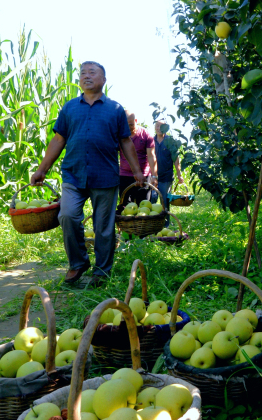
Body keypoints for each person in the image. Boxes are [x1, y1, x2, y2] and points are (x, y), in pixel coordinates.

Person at [30, 61, 144, 287]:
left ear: (103, 80)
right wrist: (42, 169)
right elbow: (59, 139)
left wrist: (138, 171)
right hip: (73, 173)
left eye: (92, 72)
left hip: (105, 176)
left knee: (103, 227)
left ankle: (101, 271)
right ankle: (78, 263)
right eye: (83, 73)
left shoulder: (115, 109)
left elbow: (125, 142)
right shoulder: (69, 108)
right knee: (68, 216)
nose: (86, 76)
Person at [118, 111, 157, 204]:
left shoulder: (146, 135)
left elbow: (151, 156)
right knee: (125, 206)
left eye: (131, 124)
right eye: (126, 125)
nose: (128, 128)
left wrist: (154, 176)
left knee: (144, 205)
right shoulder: (119, 135)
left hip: (143, 176)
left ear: (135, 121)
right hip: (124, 176)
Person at [154, 120, 185, 225]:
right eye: (156, 126)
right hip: (153, 176)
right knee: (152, 199)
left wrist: (179, 175)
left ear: (165, 128)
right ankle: (151, 223)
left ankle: (165, 224)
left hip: (166, 176)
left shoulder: (169, 141)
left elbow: (176, 159)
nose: (158, 128)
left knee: (164, 201)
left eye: (161, 126)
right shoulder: (151, 140)